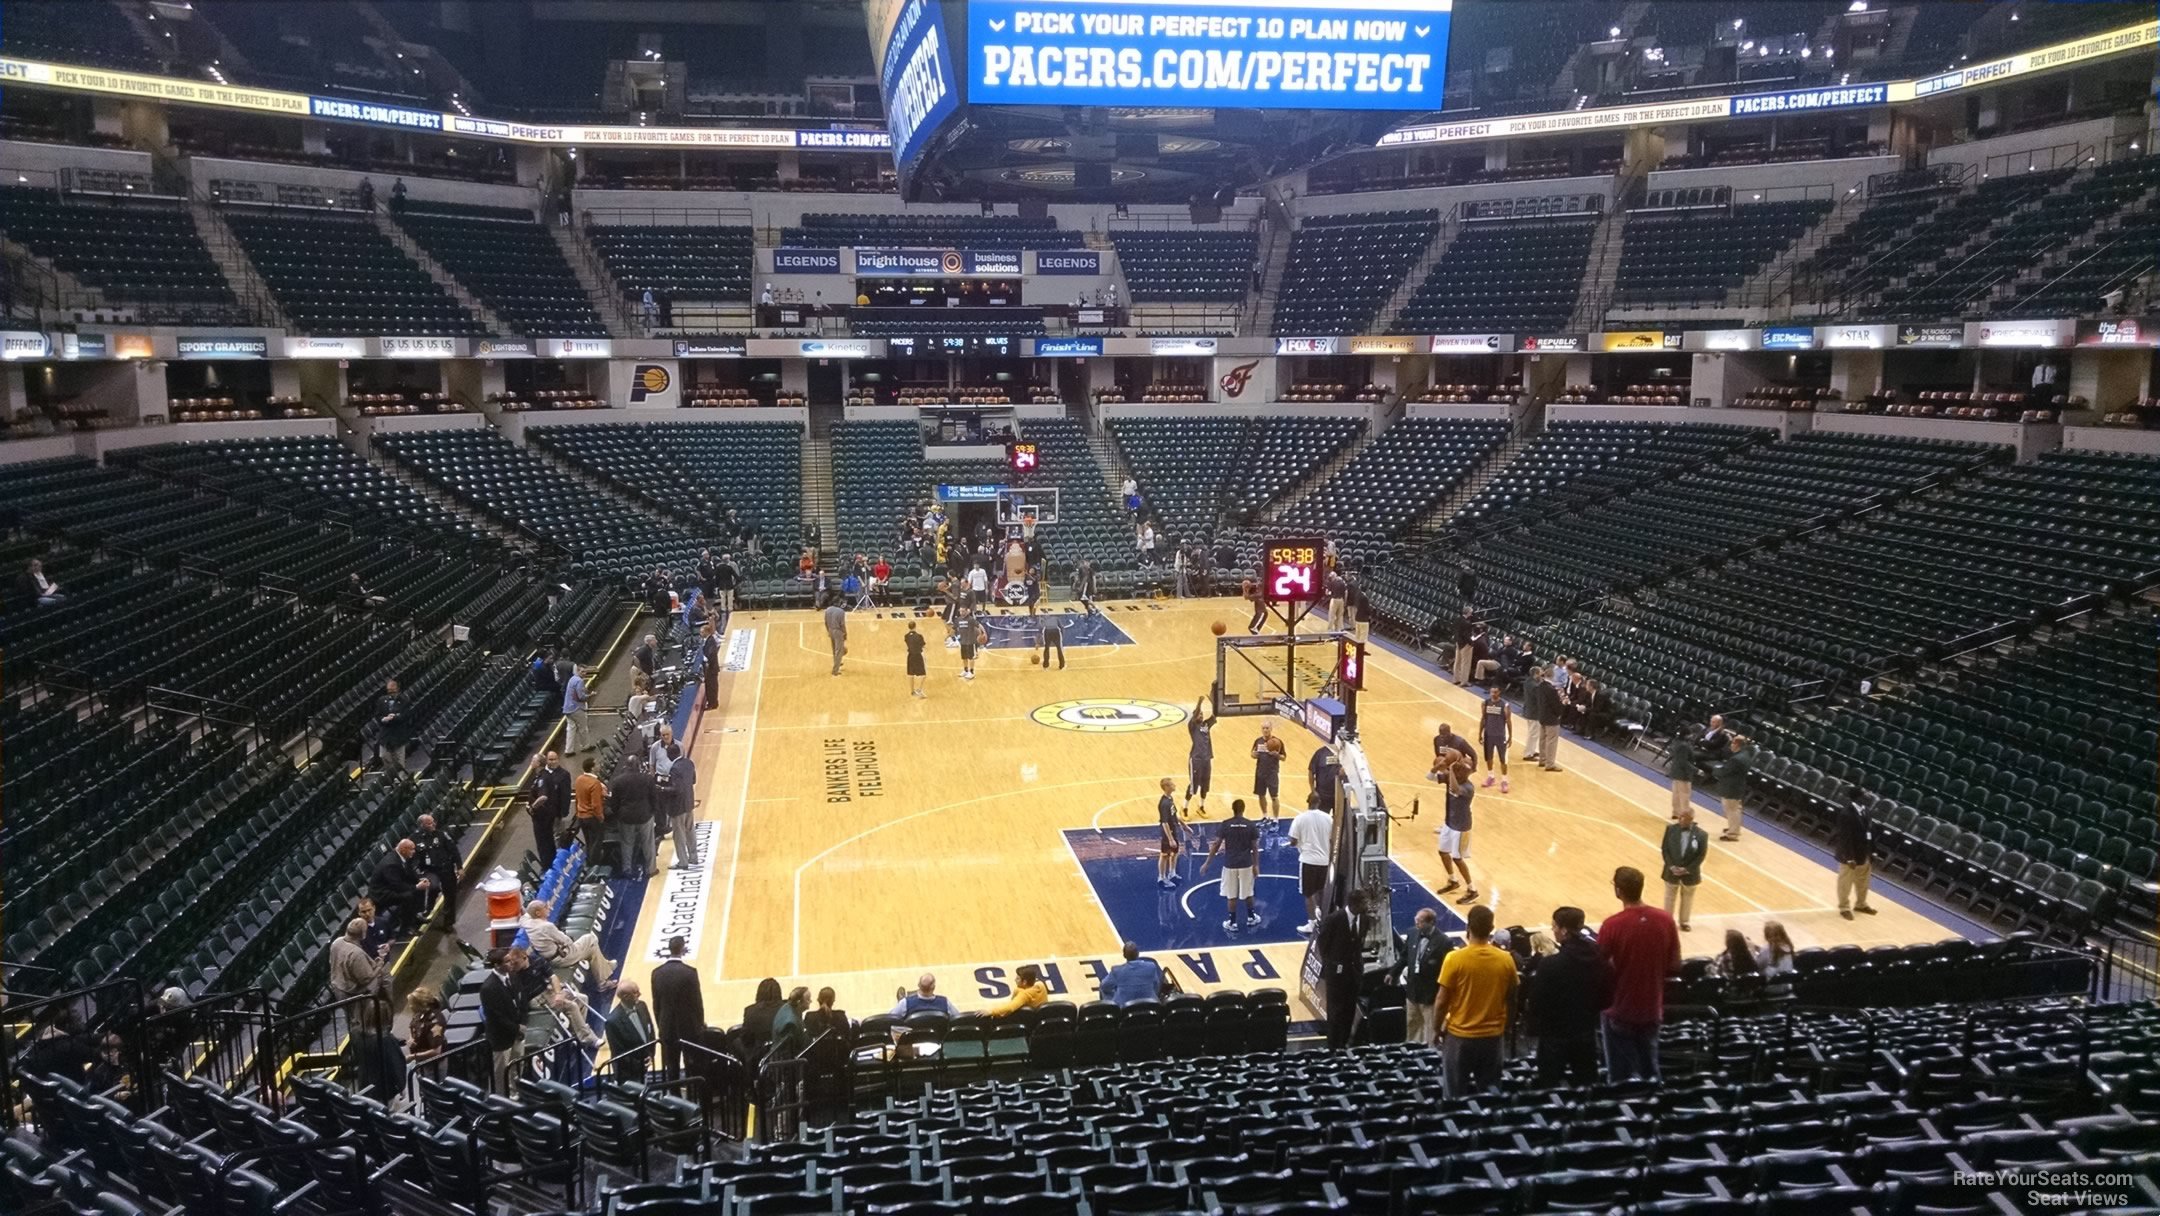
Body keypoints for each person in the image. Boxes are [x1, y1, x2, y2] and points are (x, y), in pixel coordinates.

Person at [1599, 866, 1681, 1081]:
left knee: (1619, 1077)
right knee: (1650, 1072)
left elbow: (1598, 967)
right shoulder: (1666, 920)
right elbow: (1675, 964)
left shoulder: (1612, 925)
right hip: (1652, 1008)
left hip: (1619, 1009)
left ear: (1618, 890)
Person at [1523, 906, 1610, 1085]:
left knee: (1550, 1088)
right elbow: (1606, 995)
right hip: (1585, 1033)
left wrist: (1535, 1029)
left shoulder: (1549, 965)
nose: (1553, 930)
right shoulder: (1598, 958)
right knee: (1587, 1087)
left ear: (1563, 930)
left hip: (1554, 1037)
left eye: (1554, 926)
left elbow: (1536, 1003)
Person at [1435, 903, 1515, 1093]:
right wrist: (1506, 1026)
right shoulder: (1506, 959)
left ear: (1468, 927)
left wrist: (1435, 1029)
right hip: (1493, 1038)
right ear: (1491, 930)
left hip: (1460, 1037)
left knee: (1454, 1094)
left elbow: (1441, 1001)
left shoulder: (1454, 959)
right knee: (1491, 1095)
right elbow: (1512, 999)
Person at [1313, 890, 1369, 1049]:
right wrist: (1332, 963)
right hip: (1336, 975)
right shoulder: (1334, 919)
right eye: (1364, 902)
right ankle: (1333, 1046)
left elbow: (1359, 945)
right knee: (1335, 1011)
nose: (1367, 905)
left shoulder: (1364, 920)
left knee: (1349, 1010)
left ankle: (1344, 1044)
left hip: (1354, 973)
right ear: (1354, 904)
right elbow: (1323, 944)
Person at [522, 898, 617, 988]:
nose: (549, 908)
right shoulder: (546, 926)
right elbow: (567, 941)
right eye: (545, 907)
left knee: (592, 948)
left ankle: (605, 969)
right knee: (590, 939)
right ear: (538, 913)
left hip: (550, 959)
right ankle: (603, 981)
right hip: (561, 958)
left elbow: (525, 915)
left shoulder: (527, 923)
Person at [1203, 798, 1261, 933]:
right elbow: (1255, 847)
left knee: (1231, 895)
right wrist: (1256, 865)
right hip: (1246, 863)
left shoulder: (1225, 824)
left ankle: (1232, 922)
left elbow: (1216, 844)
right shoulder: (1251, 825)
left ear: (1233, 809)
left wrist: (1207, 863)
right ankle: (1251, 917)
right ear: (1243, 809)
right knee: (1248, 892)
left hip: (1230, 864)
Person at [650, 936, 704, 1075]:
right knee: (691, 1064)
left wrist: (661, 1024)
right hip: (688, 1027)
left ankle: (673, 1095)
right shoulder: (690, 973)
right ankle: (693, 1093)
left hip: (667, 1027)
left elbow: (656, 1004)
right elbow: (697, 1003)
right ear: (683, 948)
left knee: (671, 1067)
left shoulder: (656, 973)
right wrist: (700, 1024)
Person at [1399, 907, 1450, 1046]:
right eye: (1416, 920)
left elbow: (1448, 970)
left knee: (1430, 1029)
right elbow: (1404, 957)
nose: (1417, 924)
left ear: (1431, 922)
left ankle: (1430, 1056)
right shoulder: (1412, 933)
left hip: (1430, 995)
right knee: (1411, 1025)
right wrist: (1393, 972)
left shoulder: (1444, 942)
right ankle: (1411, 1052)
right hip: (1413, 992)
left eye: (1420, 922)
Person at [480, 947, 530, 1084]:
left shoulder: (513, 976)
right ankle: (501, 1100)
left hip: (518, 1032)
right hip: (502, 1038)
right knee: (501, 1074)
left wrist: (523, 1023)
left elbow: (522, 999)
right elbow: (497, 1017)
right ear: (497, 965)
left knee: (517, 1067)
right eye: (507, 961)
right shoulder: (488, 988)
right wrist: (517, 1028)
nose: (511, 963)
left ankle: (515, 1095)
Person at [1433, 760, 1478, 905]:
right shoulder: (1452, 778)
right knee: (1443, 852)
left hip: (1462, 827)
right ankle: (1453, 880)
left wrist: (1450, 771)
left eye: (1460, 771)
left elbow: (1455, 788)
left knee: (1458, 858)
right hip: (1449, 823)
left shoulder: (1468, 787)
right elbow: (1430, 777)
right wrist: (1439, 767)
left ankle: (1472, 889)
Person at [1661, 804, 1708, 932]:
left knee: (1687, 898)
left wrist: (1687, 869)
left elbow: (1701, 855)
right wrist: (1671, 866)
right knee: (1669, 897)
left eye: (1684, 818)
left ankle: (1684, 922)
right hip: (1671, 870)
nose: (1681, 820)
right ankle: (1667, 922)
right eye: (1680, 817)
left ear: (1691, 819)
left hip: (1690, 873)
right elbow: (1665, 849)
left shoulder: (1702, 835)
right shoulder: (1670, 829)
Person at [610, 757, 659, 879]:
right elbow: (654, 798)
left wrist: (619, 814)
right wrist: (652, 811)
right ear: (639, 765)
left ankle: (627, 870)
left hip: (626, 817)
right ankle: (651, 869)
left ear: (626, 766)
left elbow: (614, 803)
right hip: (645, 815)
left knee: (627, 844)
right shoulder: (647, 779)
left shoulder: (617, 781)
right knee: (648, 843)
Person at [368, 840, 432, 932]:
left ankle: (414, 916)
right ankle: (406, 927)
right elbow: (396, 885)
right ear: (403, 850)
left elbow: (409, 874)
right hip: (381, 893)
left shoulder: (404, 857)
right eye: (412, 849)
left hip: (391, 887)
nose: (414, 851)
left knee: (419, 888)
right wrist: (416, 887)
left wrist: (419, 881)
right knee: (408, 896)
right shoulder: (391, 864)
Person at [1289, 795, 1332, 933]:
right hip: (1325, 861)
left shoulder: (1300, 818)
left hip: (1308, 860)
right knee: (1322, 890)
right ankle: (1324, 917)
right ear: (1319, 802)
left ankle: (1312, 923)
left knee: (1308, 894)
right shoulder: (1328, 818)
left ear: (1307, 802)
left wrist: (1298, 844)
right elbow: (1333, 838)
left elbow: (1293, 841)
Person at [1832, 797, 1878, 919]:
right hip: (1850, 854)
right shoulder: (1846, 813)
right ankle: (1844, 907)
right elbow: (1844, 837)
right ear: (1857, 796)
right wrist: (1849, 857)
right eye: (1865, 794)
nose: (1869, 796)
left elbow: (1871, 831)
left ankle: (1861, 904)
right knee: (1845, 882)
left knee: (1864, 880)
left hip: (1865, 852)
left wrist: (1873, 850)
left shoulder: (1866, 811)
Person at [605, 980, 657, 1081]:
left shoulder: (642, 1006)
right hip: (628, 1073)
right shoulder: (612, 1022)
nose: (640, 994)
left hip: (645, 1063)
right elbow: (619, 1052)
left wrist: (650, 1054)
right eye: (636, 992)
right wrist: (639, 1064)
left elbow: (651, 1031)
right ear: (626, 997)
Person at [411, 814, 460, 920]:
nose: (433, 824)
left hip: (446, 868)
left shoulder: (441, 834)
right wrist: (418, 874)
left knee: (451, 894)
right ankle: (427, 910)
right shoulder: (414, 839)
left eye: (433, 822)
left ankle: (448, 921)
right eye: (429, 823)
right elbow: (412, 859)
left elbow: (454, 850)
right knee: (433, 887)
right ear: (421, 825)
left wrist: (459, 867)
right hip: (430, 870)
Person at [328, 917, 388, 1001]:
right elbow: (366, 979)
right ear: (363, 935)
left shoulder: (336, 942)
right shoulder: (356, 954)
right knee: (384, 975)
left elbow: (332, 962)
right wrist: (379, 965)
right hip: (354, 994)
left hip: (338, 989)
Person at [530, 750, 571, 869]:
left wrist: (564, 811)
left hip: (556, 812)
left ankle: (559, 864)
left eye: (555, 759)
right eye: (550, 759)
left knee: (557, 837)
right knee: (549, 839)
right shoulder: (543, 774)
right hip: (546, 813)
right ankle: (555, 862)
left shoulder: (563, 774)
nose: (552, 762)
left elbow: (565, 795)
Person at [1711, 734, 1753, 842]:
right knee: (1734, 809)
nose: (1731, 745)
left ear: (1737, 744)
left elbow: (1725, 771)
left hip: (1732, 786)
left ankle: (1733, 833)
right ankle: (1733, 828)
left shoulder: (1737, 759)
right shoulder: (1745, 754)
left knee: (1732, 809)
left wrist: (1715, 769)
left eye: (1732, 743)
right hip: (1737, 785)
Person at [665, 745, 699, 870]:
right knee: (690, 830)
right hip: (689, 802)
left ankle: (683, 862)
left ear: (669, 755)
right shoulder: (689, 763)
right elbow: (694, 780)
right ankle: (694, 857)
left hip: (678, 807)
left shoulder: (674, 769)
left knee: (679, 835)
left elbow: (676, 789)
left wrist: (662, 789)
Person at [1102, 943, 1166, 1005]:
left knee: (1103, 990)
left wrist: (1115, 994)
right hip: (1149, 1005)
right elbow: (1156, 985)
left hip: (1125, 1008)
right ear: (1138, 953)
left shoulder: (1117, 970)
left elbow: (1104, 986)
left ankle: (1110, 1008)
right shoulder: (1151, 966)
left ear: (1124, 955)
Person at [1525, 666, 1563, 771]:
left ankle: (1542, 759)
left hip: (1542, 716)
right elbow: (1556, 705)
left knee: (1542, 739)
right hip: (1551, 718)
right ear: (1553, 676)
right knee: (1551, 741)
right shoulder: (1551, 689)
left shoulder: (1540, 686)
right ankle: (1550, 764)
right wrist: (1561, 708)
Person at [1184, 695, 1216, 815]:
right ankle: (1185, 808)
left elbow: (1215, 715)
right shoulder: (1192, 726)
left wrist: (1214, 703)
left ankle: (1201, 807)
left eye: (1202, 714)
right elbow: (1195, 713)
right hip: (1196, 759)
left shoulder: (1206, 725)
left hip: (1207, 758)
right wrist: (1199, 702)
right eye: (1199, 714)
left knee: (1205, 784)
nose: (1201, 715)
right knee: (1194, 785)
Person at [1477, 686, 1511, 791]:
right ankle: (1491, 776)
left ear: (1499, 692)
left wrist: (1510, 736)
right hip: (1488, 735)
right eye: (1492, 692)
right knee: (1489, 757)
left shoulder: (1505, 705)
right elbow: (1483, 718)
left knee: (1503, 759)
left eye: (1495, 692)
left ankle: (1504, 780)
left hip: (1500, 735)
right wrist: (1480, 733)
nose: (1493, 694)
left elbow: (1508, 721)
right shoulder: (1485, 703)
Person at [375, 679, 411, 773]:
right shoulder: (381, 700)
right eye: (389, 691)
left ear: (398, 689)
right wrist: (384, 719)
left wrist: (394, 717)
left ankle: (400, 781)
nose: (391, 693)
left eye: (393, 691)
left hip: (398, 734)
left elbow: (405, 716)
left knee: (399, 760)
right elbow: (378, 716)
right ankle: (391, 776)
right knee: (384, 756)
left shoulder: (404, 700)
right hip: (385, 734)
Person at [404, 985, 447, 1063]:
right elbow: (413, 1027)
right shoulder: (419, 1014)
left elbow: (436, 1051)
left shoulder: (435, 1023)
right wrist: (411, 1039)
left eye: (412, 1004)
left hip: (434, 1065)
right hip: (420, 1060)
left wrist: (413, 1057)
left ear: (421, 1005)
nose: (410, 1006)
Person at [740, 978, 785, 1052]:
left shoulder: (750, 1011)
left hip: (759, 1055)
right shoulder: (789, 1009)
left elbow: (746, 1040)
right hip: (784, 1054)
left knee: (736, 1042)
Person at [572, 758, 607, 851]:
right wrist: (600, 817)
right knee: (596, 843)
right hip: (592, 817)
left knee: (589, 842)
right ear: (592, 768)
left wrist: (578, 812)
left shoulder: (579, 779)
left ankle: (589, 861)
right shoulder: (595, 783)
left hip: (581, 817)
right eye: (597, 765)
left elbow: (577, 799)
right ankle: (595, 863)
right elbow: (596, 805)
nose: (599, 766)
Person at [1251, 721, 1284, 818]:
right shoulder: (1258, 741)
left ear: (1271, 729)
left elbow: (1284, 757)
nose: (1265, 730)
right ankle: (1265, 816)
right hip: (1260, 773)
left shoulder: (1277, 742)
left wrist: (1277, 755)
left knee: (1274, 797)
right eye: (1263, 728)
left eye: (1267, 728)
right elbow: (1252, 753)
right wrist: (1254, 755)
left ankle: (1275, 819)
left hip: (1272, 774)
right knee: (1261, 795)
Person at [1154, 776, 1182, 888]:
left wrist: (1184, 826)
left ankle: (1172, 873)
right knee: (1165, 854)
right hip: (1168, 831)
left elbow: (1174, 814)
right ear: (1166, 787)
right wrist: (1170, 838)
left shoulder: (1170, 799)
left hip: (1173, 829)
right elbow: (1164, 822)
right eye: (1172, 784)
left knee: (1175, 852)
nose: (1174, 785)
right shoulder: (1164, 803)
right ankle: (1161, 877)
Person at [888, 974, 957, 1017]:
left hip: (913, 1037)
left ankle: (902, 1000)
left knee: (905, 1005)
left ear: (918, 985)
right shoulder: (945, 1002)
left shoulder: (905, 1003)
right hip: (937, 1037)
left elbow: (891, 1018)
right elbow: (957, 1017)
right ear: (934, 987)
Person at [1757, 921, 1798, 987]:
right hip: (1788, 985)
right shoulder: (1788, 946)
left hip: (1771, 986)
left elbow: (1758, 966)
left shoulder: (1767, 949)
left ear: (1766, 937)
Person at [1666, 734, 1696, 821]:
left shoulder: (1677, 743)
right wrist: (1696, 770)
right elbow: (1684, 762)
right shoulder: (1685, 746)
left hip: (1676, 772)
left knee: (1676, 794)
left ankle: (1676, 812)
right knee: (1685, 796)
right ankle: (1685, 816)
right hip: (1683, 774)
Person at [562, 666, 591, 753]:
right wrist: (590, 695)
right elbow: (581, 697)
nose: (584, 673)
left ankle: (568, 750)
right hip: (576, 708)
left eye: (585, 672)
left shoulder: (572, 679)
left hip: (567, 708)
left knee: (570, 729)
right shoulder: (579, 681)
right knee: (583, 728)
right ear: (577, 671)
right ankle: (585, 746)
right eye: (582, 672)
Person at [700, 622, 722, 711]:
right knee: (709, 686)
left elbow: (712, 654)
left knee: (712, 686)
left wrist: (706, 659)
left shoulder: (711, 641)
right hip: (709, 668)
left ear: (707, 632)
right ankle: (711, 702)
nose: (700, 634)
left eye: (702, 632)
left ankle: (713, 704)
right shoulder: (708, 640)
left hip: (712, 668)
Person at [956, 604, 982, 680]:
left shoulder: (971, 619)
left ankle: (971, 672)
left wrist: (982, 633)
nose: (961, 612)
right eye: (960, 611)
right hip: (963, 641)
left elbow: (979, 625)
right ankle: (965, 670)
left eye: (963, 611)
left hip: (970, 641)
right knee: (964, 657)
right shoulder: (958, 619)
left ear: (967, 611)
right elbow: (956, 628)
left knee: (971, 657)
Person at [1451, 609, 1476, 683]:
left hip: (1458, 642)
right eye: (1471, 613)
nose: (1471, 614)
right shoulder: (1467, 623)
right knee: (1465, 663)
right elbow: (1466, 635)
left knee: (1457, 661)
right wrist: (1471, 643)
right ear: (1468, 613)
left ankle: (1456, 679)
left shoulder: (1457, 620)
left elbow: (1455, 631)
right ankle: (1464, 681)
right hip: (1465, 644)